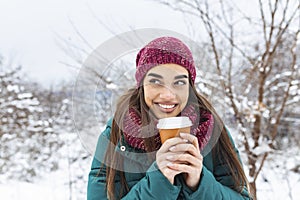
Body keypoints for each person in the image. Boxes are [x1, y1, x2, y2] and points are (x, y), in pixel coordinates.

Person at [87, 36, 252, 199]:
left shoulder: (213, 131)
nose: (167, 94)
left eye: (179, 82)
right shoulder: (116, 136)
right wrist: (159, 181)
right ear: (141, 85)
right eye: (156, 81)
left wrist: (199, 183)